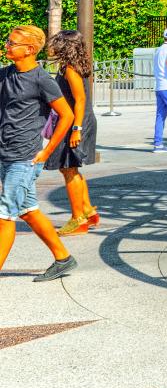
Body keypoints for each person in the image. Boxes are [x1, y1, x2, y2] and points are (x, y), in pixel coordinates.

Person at [0, 25, 77, 282]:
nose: (7, 45)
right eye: (8, 41)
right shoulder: (6, 75)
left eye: (12, 43)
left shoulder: (41, 79)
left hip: (25, 157)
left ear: (30, 49)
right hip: (6, 153)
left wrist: (47, 151)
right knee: (28, 211)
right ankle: (63, 258)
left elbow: (67, 115)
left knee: (4, 216)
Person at [43, 31, 100, 236]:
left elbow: (80, 100)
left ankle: (78, 220)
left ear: (65, 46)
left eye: (56, 43)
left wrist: (77, 129)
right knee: (70, 168)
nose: (52, 47)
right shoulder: (71, 66)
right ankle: (87, 211)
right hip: (80, 121)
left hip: (77, 123)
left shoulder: (69, 68)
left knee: (68, 168)